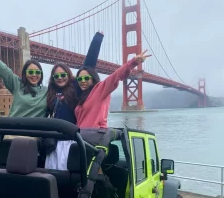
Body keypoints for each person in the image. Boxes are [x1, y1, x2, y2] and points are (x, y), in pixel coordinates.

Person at [43, 32, 104, 170]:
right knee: (52, 172)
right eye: (56, 76)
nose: (60, 78)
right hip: (53, 141)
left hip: (70, 139)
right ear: (53, 78)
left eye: (63, 74)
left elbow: (88, 65)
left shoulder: (75, 87)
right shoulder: (50, 92)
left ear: (68, 75)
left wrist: (97, 40)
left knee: (67, 172)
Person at [75, 50, 151, 128]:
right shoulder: (82, 96)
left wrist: (133, 62)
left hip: (95, 137)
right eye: (80, 79)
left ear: (93, 78)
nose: (83, 81)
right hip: (81, 137)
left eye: (86, 78)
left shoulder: (100, 89)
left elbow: (116, 76)